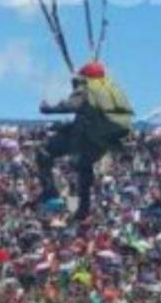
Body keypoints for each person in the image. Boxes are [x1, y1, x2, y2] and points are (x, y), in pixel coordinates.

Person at [37, 61, 134, 220]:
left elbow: (72, 106)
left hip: (85, 137)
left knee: (44, 152)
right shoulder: (112, 91)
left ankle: (50, 192)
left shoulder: (88, 89)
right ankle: (83, 209)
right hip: (103, 141)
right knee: (83, 166)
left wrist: (48, 109)